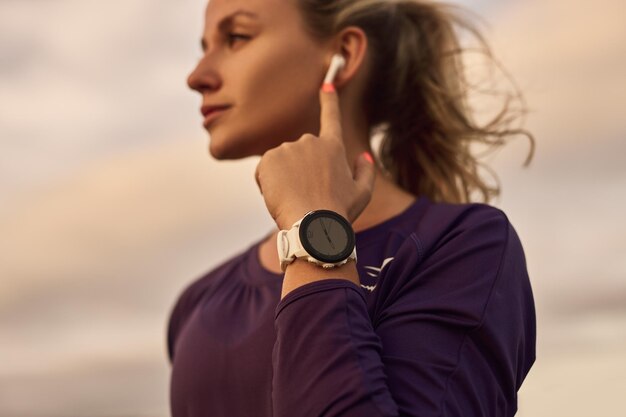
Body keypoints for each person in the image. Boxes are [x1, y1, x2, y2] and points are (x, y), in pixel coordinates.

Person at [167, 0, 537, 416]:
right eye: (204, 46)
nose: (196, 77)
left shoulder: (463, 248)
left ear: (343, 55)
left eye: (236, 38)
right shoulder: (197, 303)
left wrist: (314, 227)